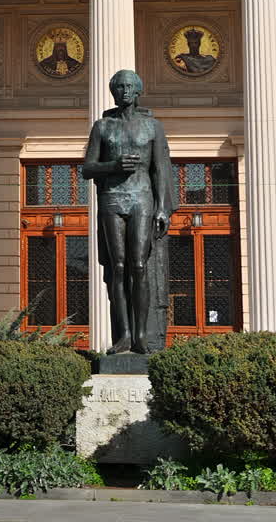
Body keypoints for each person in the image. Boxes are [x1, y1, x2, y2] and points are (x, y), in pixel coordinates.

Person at [83, 69, 173, 354]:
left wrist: (162, 208)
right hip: (113, 198)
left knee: (139, 265)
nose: (124, 91)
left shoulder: (152, 127)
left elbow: (160, 170)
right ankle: (122, 335)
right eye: (119, 86)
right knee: (117, 267)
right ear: (113, 91)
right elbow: (87, 168)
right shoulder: (102, 127)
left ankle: (141, 336)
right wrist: (113, 166)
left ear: (137, 91)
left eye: (129, 86)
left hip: (142, 198)